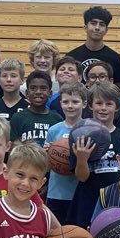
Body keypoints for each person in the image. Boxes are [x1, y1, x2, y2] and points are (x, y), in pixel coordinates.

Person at [69, 84, 120, 228]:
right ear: (90, 106)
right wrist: (82, 159)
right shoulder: (79, 135)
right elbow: (82, 177)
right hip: (89, 199)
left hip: (116, 199)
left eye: (109, 104)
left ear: (117, 107)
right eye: (99, 103)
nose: (103, 108)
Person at [44, 83, 87, 221]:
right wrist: (48, 155)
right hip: (56, 192)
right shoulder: (53, 130)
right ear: (60, 103)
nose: (70, 106)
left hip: (79, 192)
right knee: (55, 235)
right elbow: (46, 165)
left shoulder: (90, 129)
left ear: (84, 104)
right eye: (66, 102)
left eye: (75, 102)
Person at [67, 6, 120, 88]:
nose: (97, 28)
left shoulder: (116, 59)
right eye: (93, 23)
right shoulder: (72, 57)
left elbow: (119, 93)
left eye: (102, 24)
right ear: (85, 28)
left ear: (106, 30)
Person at [9, 70, 63, 147]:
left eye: (43, 88)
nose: (38, 92)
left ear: (50, 93)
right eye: (33, 88)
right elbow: (12, 150)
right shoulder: (18, 118)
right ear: (27, 93)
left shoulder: (57, 119)